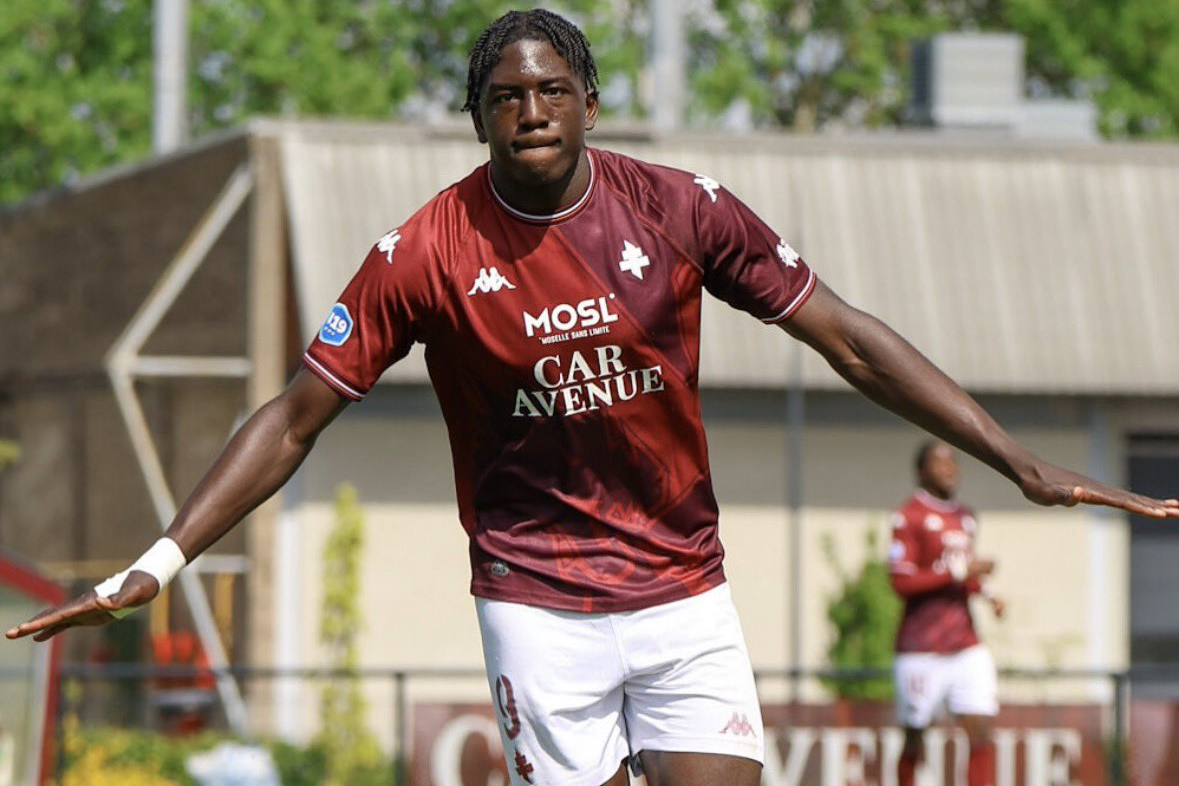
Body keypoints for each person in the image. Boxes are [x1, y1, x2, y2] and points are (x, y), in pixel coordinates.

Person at [8, 9, 1178, 786]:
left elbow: (852, 341)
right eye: (507, 95)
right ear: (479, 115)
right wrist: (158, 563)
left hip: (684, 593)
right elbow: (293, 418)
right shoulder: (423, 251)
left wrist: (1016, 459)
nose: (532, 110)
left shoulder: (681, 210)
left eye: (552, 88)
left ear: (590, 101)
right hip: (539, 605)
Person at [890, 441, 1005, 786]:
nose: (950, 468)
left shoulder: (965, 517)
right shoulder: (908, 515)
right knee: (915, 735)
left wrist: (988, 593)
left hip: (965, 642)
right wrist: (958, 571)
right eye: (940, 462)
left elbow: (963, 575)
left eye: (953, 462)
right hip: (921, 646)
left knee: (981, 728)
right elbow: (901, 582)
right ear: (921, 471)